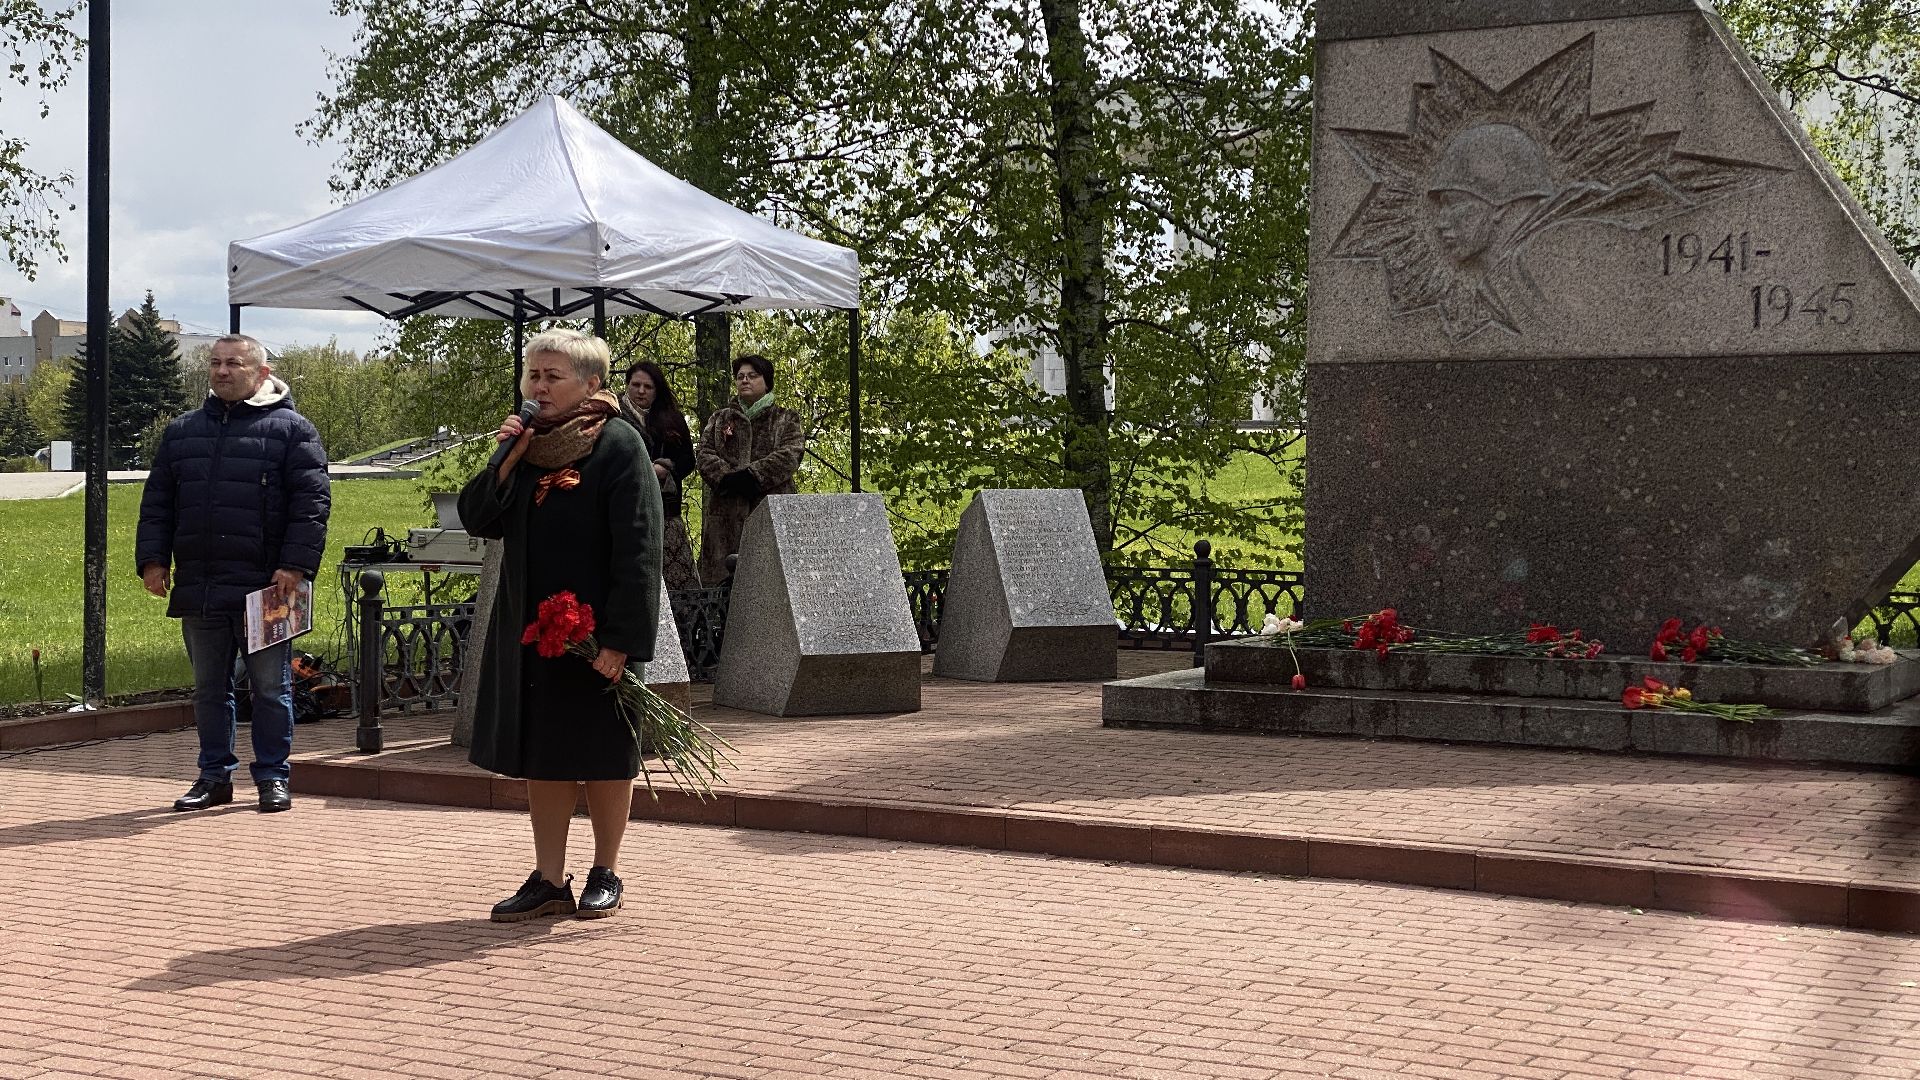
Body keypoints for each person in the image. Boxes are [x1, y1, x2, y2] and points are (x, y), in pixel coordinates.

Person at [459, 328, 663, 922]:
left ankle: (606, 870)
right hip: (533, 629)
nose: (538, 387)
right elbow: (478, 518)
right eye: (532, 376)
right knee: (545, 751)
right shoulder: (528, 446)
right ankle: (549, 879)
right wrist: (507, 460)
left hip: (596, 635)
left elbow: (640, 549)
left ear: (591, 384)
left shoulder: (619, 446)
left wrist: (622, 640)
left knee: (602, 751)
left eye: (552, 377)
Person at [135, 334, 331, 814]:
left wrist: (295, 565)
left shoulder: (293, 430)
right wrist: (153, 560)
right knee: (209, 689)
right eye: (216, 363)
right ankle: (213, 777)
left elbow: (312, 506)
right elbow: (158, 503)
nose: (222, 371)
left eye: (234, 364)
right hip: (201, 585)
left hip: (271, 588)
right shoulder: (182, 432)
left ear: (261, 373)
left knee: (270, 688)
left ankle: (272, 777)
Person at [694, 353, 805, 584]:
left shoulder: (785, 419)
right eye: (740, 376)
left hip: (770, 512)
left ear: (767, 383)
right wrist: (727, 478)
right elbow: (704, 453)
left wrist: (753, 476)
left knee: (771, 587)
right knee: (723, 593)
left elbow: (790, 454)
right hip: (725, 516)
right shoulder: (720, 418)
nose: (745, 380)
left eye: (752, 376)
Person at [619, 361, 700, 591]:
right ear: (627, 385)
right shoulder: (613, 416)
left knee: (679, 588)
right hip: (628, 510)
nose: (641, 391)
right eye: (636, 385)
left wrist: (667, 468)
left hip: (666, 513)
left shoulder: (672, 418)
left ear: (657, 389)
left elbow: (688, 459)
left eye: (648, 386)